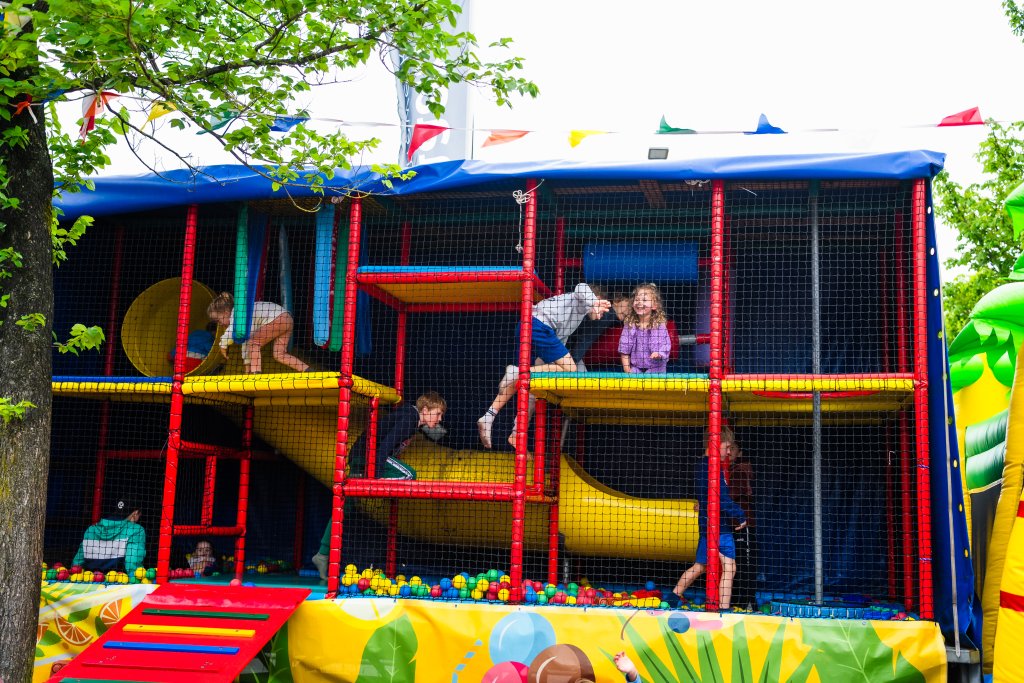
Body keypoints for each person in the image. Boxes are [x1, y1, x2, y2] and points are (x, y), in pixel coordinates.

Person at [311, 391, 447, 579]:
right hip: (367, 458)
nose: (439, 419)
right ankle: (380, 490)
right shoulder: (410, 418)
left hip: (360, 458)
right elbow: (384, 447)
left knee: (344, 508)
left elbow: (434, 434)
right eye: (438, 413)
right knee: (409, 474)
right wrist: (374, 480)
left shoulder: (413, 419)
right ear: (425, 410)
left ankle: (322, 554)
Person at [477, 283, 611, 449]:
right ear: (597, 298)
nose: (602, 314)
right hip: (539, 327)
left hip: (529, 326)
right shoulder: (580, 300)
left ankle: (491, 417)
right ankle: (518, 372)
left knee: (532, 383)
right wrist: (594, 302)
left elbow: (559, 342)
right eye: (603, 309)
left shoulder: (575, 315)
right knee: (570, 369)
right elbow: (581, 287)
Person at [673, 428, 748, 611]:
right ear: (714, 444)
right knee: (729, 567)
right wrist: (740, 515)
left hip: (707, 525)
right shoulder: (712, 467)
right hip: (718, 527)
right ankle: (723, 609)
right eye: (727, 447)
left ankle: (673, 597)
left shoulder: (702, 465)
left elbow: (707, 495)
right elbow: (721, 498)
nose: (729, 452)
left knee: (701, 566)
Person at [207, 292, 308, 374]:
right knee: (279, 354)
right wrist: (247, 364)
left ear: (225, 313)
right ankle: (307, 370)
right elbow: (246, 341)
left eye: (218, 320)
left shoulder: (237, 313)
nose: (219, 324)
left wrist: (222, 344)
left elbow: (231, 332)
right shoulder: (243, 314)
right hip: (287, 319)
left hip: (277, 319)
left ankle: (256, 374)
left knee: (254, 343)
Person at [73, 499, 147, 572]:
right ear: (135, 513)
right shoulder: (136, 530)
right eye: (139, 515)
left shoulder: (91, 530)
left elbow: (77, 564)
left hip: (91, 578)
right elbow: (132, 564)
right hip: (119, 578)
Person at [726, 441, 757, 609]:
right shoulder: (726, 470)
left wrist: (708, 502)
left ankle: (748, 602)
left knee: (744, 564)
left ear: (740, 453)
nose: (729, 452)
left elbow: (730, 496)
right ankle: (737, 601)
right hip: (730, 526)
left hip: (743, 526)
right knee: (734, 564)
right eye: (727, 448)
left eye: (733, 449)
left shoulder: (740, 470)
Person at [618, 283, 671, 374]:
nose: (639, 302)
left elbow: (665, 345)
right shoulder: (630, 324)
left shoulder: (659, 325)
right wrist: (627, 369)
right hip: (636, 367)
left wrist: (659, 353)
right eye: (637, 299)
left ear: (654, 305)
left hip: (656, 368)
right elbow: (624, 348)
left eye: (644, 300)